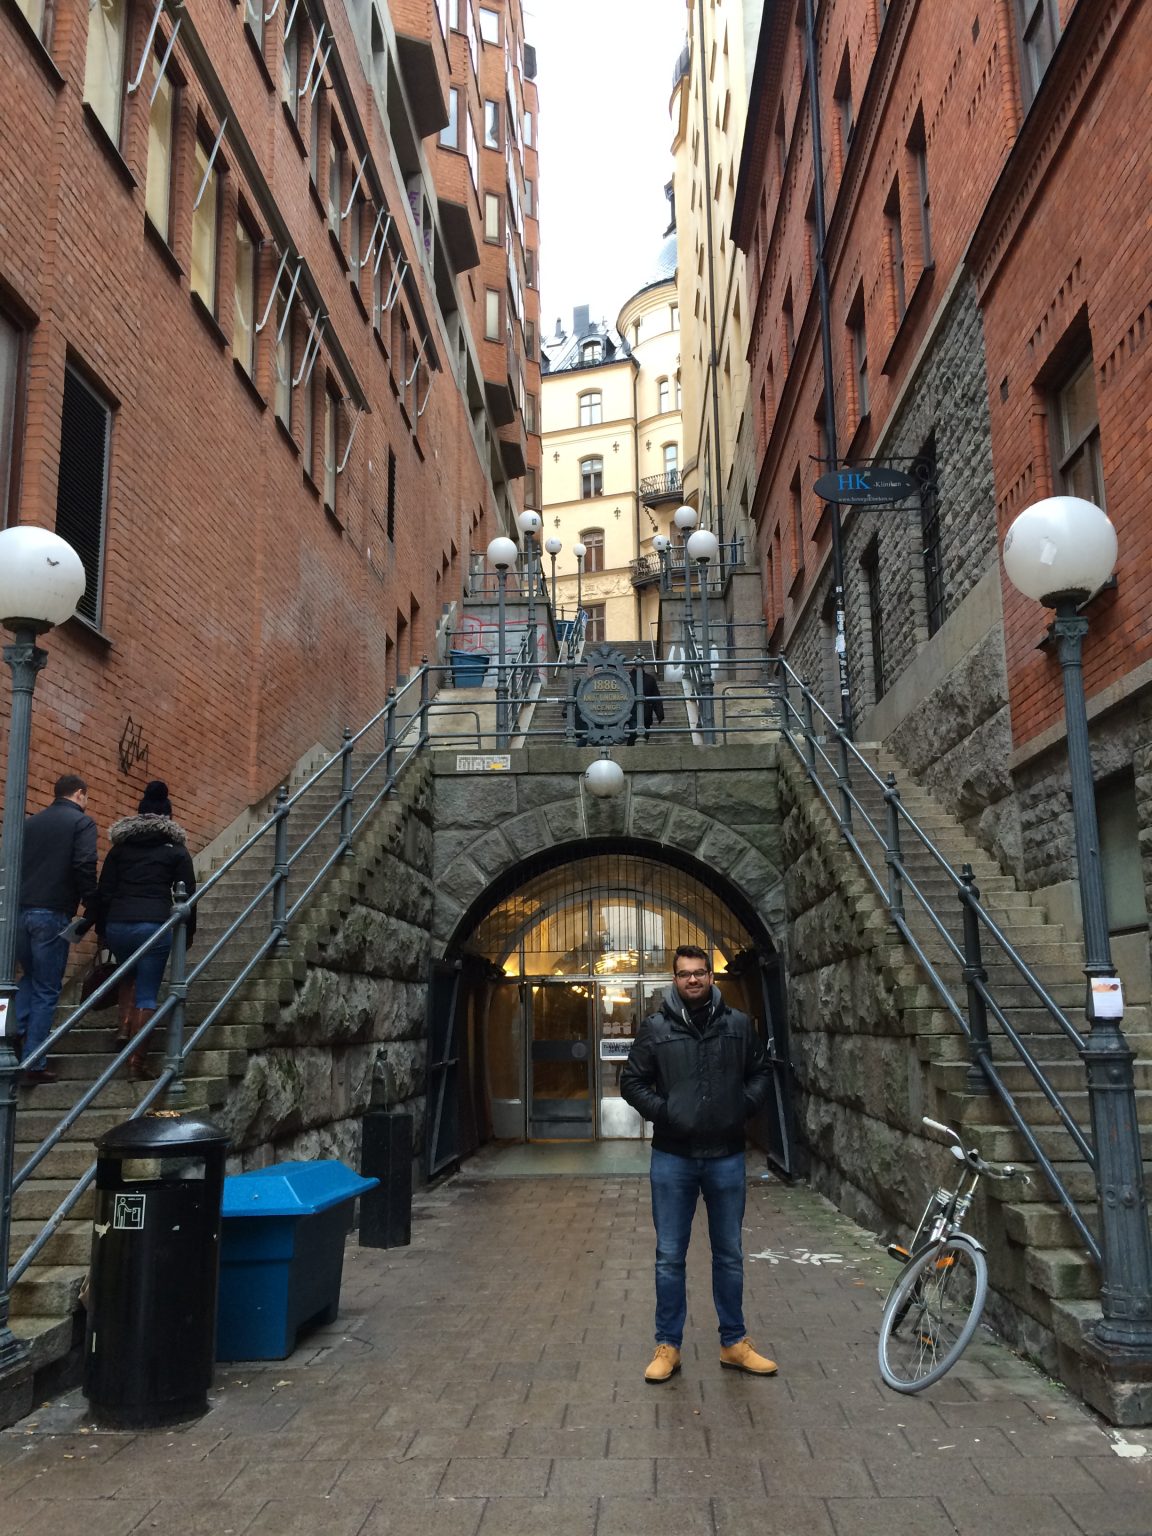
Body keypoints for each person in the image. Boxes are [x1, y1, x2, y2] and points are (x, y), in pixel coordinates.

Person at [621, 944, 776, 1384]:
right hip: (674, 1157)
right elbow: (631, 1081)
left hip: (725, 1156)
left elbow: (761, 1072)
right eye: (685, 973)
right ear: (674, 979)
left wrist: (740, 1108)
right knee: (669, 1256)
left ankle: (734, 1343)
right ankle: (668, 1345)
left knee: (729, 1254)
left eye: (700, 972)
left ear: (711, 976)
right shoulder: (656, 1028)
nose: (693, 979)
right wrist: (667, 1112)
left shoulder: (738, 1025)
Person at [93, 781, 196, 1080]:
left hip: (118, 925)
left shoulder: (120, 849)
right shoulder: (176, 851)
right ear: (168, 816)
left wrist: (102, 930)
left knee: (127, 973)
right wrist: (188, 933)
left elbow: (105, 890)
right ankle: (136, 1063)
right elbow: (189, 895)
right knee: (148, 993)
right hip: (153, 925)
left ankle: (123, 1029)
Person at [15, 774, 98, 1085]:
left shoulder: (30, 823)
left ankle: (11, 1036)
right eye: (86, 797)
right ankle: (33, 1062)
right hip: (52, 912)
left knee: (30, 979)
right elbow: (84, 863)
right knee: (48, 988)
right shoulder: (81, 823)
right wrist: (92, 902)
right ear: (79, 794)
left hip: (20, 912)